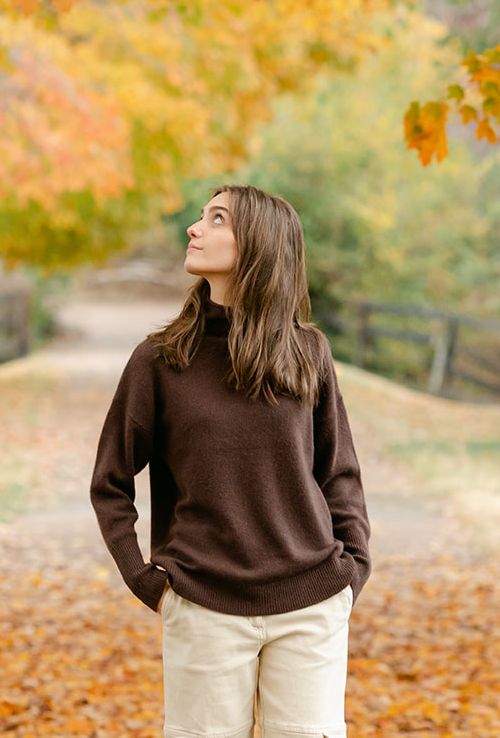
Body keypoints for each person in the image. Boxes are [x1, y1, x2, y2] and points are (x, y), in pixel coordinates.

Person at [90, 184, 371, 738]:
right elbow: (110, 482)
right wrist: (147, 582)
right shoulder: (160, 360)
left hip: (310, 604)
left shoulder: (307, 352)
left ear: (260, 246)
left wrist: (352, 569)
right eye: (200, 217)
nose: (194, 229)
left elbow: (338, 472)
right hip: (203, 607)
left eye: (216, 219)